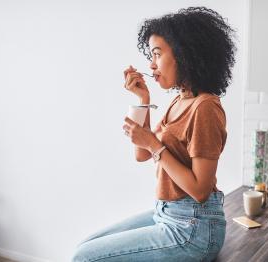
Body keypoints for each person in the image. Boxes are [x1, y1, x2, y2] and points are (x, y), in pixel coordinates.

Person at [72, 6, 236, 262]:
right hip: (168, 213)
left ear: (185, 55)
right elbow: (141, 153)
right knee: (87, 245)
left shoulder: (205, 107)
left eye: (157, 54)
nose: (151, 63)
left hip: (194, 229)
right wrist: (143, 98)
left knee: (84, 257)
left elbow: (200, 190)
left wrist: (155, 146)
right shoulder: (178, 101)